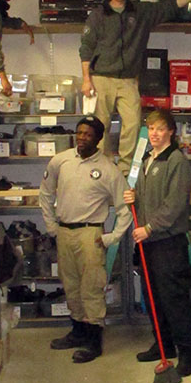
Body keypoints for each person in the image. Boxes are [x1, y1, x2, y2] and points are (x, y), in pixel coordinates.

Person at [79, 0, 191, 176]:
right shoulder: (98, 15)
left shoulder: (140, 12)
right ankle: (100, 166)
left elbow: (171, 5)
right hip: (101, 77)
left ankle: (125, 168)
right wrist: (86, 80)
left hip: (128, 80)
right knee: (100, 126)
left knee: (134, 124)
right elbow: (86, 47)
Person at [39, 115, 132, 363]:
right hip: (64, 232)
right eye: (79, 133)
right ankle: (77, 332)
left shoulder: (108, 170)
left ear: (98, 139)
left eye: (88, 134)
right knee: (71, 286)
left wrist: (112, 237)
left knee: (91, 289)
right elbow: (45, 194)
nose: (81, 138)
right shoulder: (61, 161)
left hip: (91, 235)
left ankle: (94, 341)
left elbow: (125, 209)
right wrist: (51, 227)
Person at [123, 109, 191, 376]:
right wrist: (134, 197)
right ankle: (163, 345)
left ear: (171, 132)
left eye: (160, 128)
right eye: (151, 128)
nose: (154, 133)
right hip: (148, 241)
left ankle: (187, 352)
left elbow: (174, 204)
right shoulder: (147, 159)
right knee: (153, 296)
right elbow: (146, 197)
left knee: (174, 299)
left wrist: (149, 228)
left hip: (167, 242)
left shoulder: (176, 161)